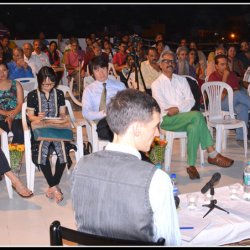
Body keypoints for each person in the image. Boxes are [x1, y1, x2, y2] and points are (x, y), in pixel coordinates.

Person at [72, 88, 181, 246]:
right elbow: (170, 241)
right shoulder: (156, 180)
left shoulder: (81, 166)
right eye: (156, 126)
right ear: (137, 128)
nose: (158, 133)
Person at [151, 50, 234, 179]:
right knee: (197, 115)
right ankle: (212, 153)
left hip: (184, 118)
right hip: (167, 120)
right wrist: (179, 108)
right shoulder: (156, 84)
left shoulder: (181, 80)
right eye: (166, 61)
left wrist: (178, 108)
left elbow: (191, 100)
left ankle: (191, 165)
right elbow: (165, 108)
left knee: (194, 126)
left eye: (172, 61)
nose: (169, 64)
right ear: (160, 65)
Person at [26, 66, 76, 203]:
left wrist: (61, 117)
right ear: (40, 81)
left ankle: (52, 186)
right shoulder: (32, 95)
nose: (48, 87)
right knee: (41, 150)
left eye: (51, 84)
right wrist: (38, 117)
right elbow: (30, 117)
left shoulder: (59, 94)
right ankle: (55, 187)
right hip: (40, 130)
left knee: (63, 151)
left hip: (56, 128)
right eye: (45, 84)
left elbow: (62, 113)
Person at [208, 54, 250, 144]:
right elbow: (220, 97)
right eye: (222, 64)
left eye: (226, 64)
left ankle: (241, 138)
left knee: (243, 108)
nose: (225, 66)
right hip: (218, 104)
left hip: (232, 102)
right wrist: (225, 77)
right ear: (216, 66)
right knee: (238, 94)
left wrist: (230, 91)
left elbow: (236, 89)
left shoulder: (232, 75)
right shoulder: (213, 77)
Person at [82, 55, 126, 141]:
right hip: (102, 122)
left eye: (103, 68)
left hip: (120, 119)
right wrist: (103, 113)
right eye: (97, 70)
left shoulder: (120, 86)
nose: (101, 73)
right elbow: (85, 113)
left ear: (108, 69)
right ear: (92, 73)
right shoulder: (89, 90)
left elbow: (128, 104)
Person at [0, 62, 24, 144]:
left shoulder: (16, 84)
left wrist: (12, 115)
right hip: (1, 115)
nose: (1, 73)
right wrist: (6, 113)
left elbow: (20, 103)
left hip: (17, 114)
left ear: (8, 71)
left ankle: (16, 154)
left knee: (19, 131)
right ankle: (4, 155)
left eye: (4, 70)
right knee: (1, 134)